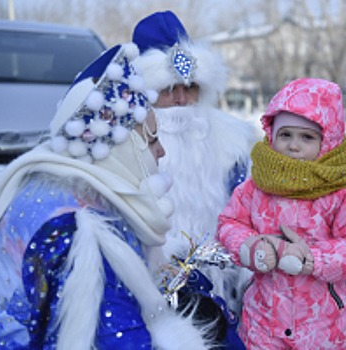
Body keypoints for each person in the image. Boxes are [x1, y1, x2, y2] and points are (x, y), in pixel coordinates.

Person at [0, 43, 214, 349]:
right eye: (151, 141)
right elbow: (120, 339)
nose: (161, 151)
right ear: (120, 150)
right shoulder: (91, 232)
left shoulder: (41, 185)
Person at [216, 78, 346, 349]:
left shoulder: (345, 195)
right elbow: (229, 223)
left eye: (307, 137)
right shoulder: (255, 188)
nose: (293, 146)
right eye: (285, 135)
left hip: (320, 326)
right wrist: (250, 245)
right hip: (263, 319)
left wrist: (312, 258)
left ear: (328, 141)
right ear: (272, 135)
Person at [131, 11, 258, 316]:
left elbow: (249, 215)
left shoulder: (234, 144)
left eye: (190, 87)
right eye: (168, 90)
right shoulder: (126, 146)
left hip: (224, 290)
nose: (181, 100)